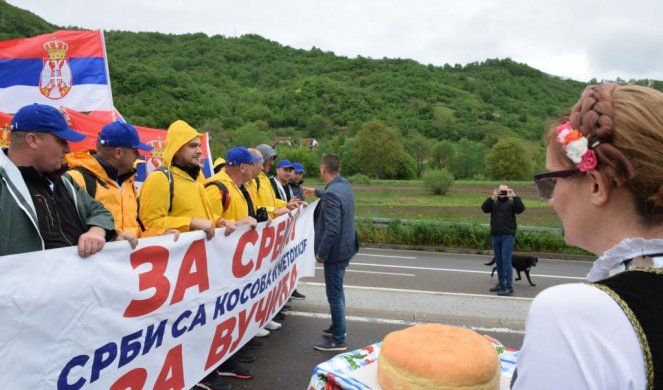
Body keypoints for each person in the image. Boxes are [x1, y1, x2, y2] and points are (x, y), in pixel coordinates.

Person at [513, 84, 663, 389]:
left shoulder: (573, 316)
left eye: (551, 182)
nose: (550, 200)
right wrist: (511, 354)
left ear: (596, 185)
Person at [139, 120, 247, 390]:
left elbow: (205, 218)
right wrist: (189, 223)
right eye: (193, 146)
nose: (200, 151)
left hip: (198, 270)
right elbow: (149, 223)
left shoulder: (197, 180)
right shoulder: (161, 179)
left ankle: (201, 370)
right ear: (176, 149)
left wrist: (219, 221)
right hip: (171, 273)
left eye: (200, 146)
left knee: (199, 321)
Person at [0, 104, 117, 258]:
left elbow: (99, 212)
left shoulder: (64, 181)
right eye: (61, 141)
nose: (68, 149)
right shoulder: (4, 184)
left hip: (76, 279)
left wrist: (98, 232)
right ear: (33, 140)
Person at [66, 121, 174, 242]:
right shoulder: (76, 178)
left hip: (125, 259)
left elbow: (133, 232)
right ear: (118, 153)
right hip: (96, 259)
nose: (138, 156)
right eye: (135, 150)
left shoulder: (127, 182)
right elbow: (68, 233)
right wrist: (111, 240)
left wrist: (159, 234)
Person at [304, 153, 359, 352]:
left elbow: (332, 228)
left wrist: (321, 253)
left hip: (335, 252)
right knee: (338, 290)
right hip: (347, 247)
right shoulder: (344, 185)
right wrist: (316, 191)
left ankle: (339, 339)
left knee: (334, 294)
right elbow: (330, 193)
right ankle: (337, 326)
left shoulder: (334, 193)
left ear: (323, 169)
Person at [481, 184, 525, 296]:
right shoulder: (493, 203)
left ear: (508, 192)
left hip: (507, 236)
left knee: (506, 261)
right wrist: (492, 197)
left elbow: (520, 209)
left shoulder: (511, 204)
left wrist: (514, 196)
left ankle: (509, 287)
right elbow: (484, 208)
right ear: (497, 191)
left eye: (505, 191)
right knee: (499, 262)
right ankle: (501, 284)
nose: (503, 193)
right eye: (501, 191)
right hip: (495, 236)